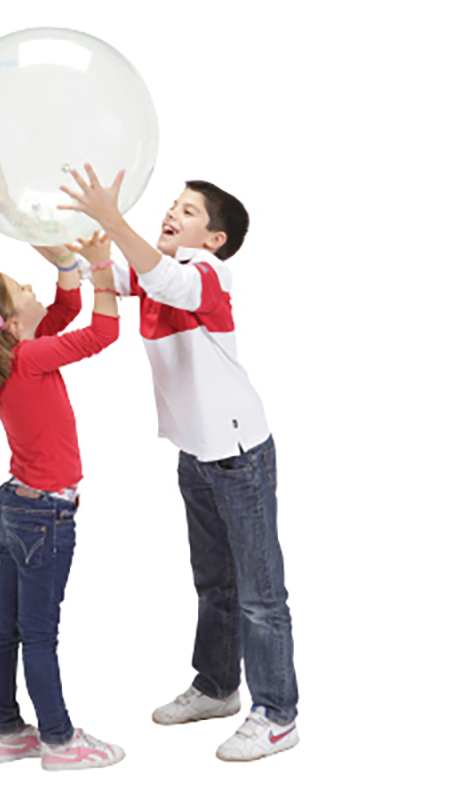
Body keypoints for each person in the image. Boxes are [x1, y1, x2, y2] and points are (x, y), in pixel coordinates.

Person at [58, 165, 299, 762]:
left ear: (214, 239)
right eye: (174, 204)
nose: (171, 213)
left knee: (260, 594)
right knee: (214, 583)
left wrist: (113, 220)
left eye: (188, 211)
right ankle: (217, 688)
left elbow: (165, 279)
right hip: (196, 454)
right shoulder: (155, 275)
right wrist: (17, 215)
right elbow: (88, 265)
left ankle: (277, 715)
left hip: (238, 456)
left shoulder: (208, 275)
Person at [0, 159, 125, 771]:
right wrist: (102, 265)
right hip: (45, 515)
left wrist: (10, 209)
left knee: (7, 628)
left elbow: (66, 303)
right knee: (40, 634)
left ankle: (6, 732)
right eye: (22, 288)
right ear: (14, 323)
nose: (31, 286)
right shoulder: (29, 358)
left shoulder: (11, 356)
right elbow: (102, 331)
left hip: (18, 508)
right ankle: (59, 741)